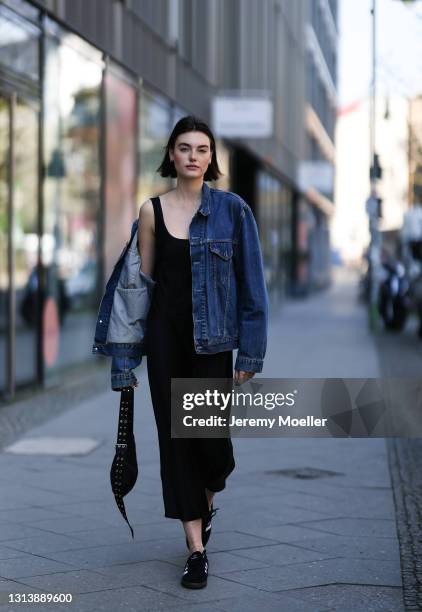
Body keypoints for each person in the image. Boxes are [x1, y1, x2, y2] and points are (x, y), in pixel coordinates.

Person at [128, 115, 267, 589]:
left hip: (212, 344)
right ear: (171, 154)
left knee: (211, 445)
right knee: (176, 445)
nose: (192, 156)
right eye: (184, 148)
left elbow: (253, 288)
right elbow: (140, 288)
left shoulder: (233, 211)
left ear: (211, 159)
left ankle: (207, 500)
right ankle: (196, 551)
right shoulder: (151, 211)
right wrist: (127, 356)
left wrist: (250, 354)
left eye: (202, 149)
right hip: (165, 342)